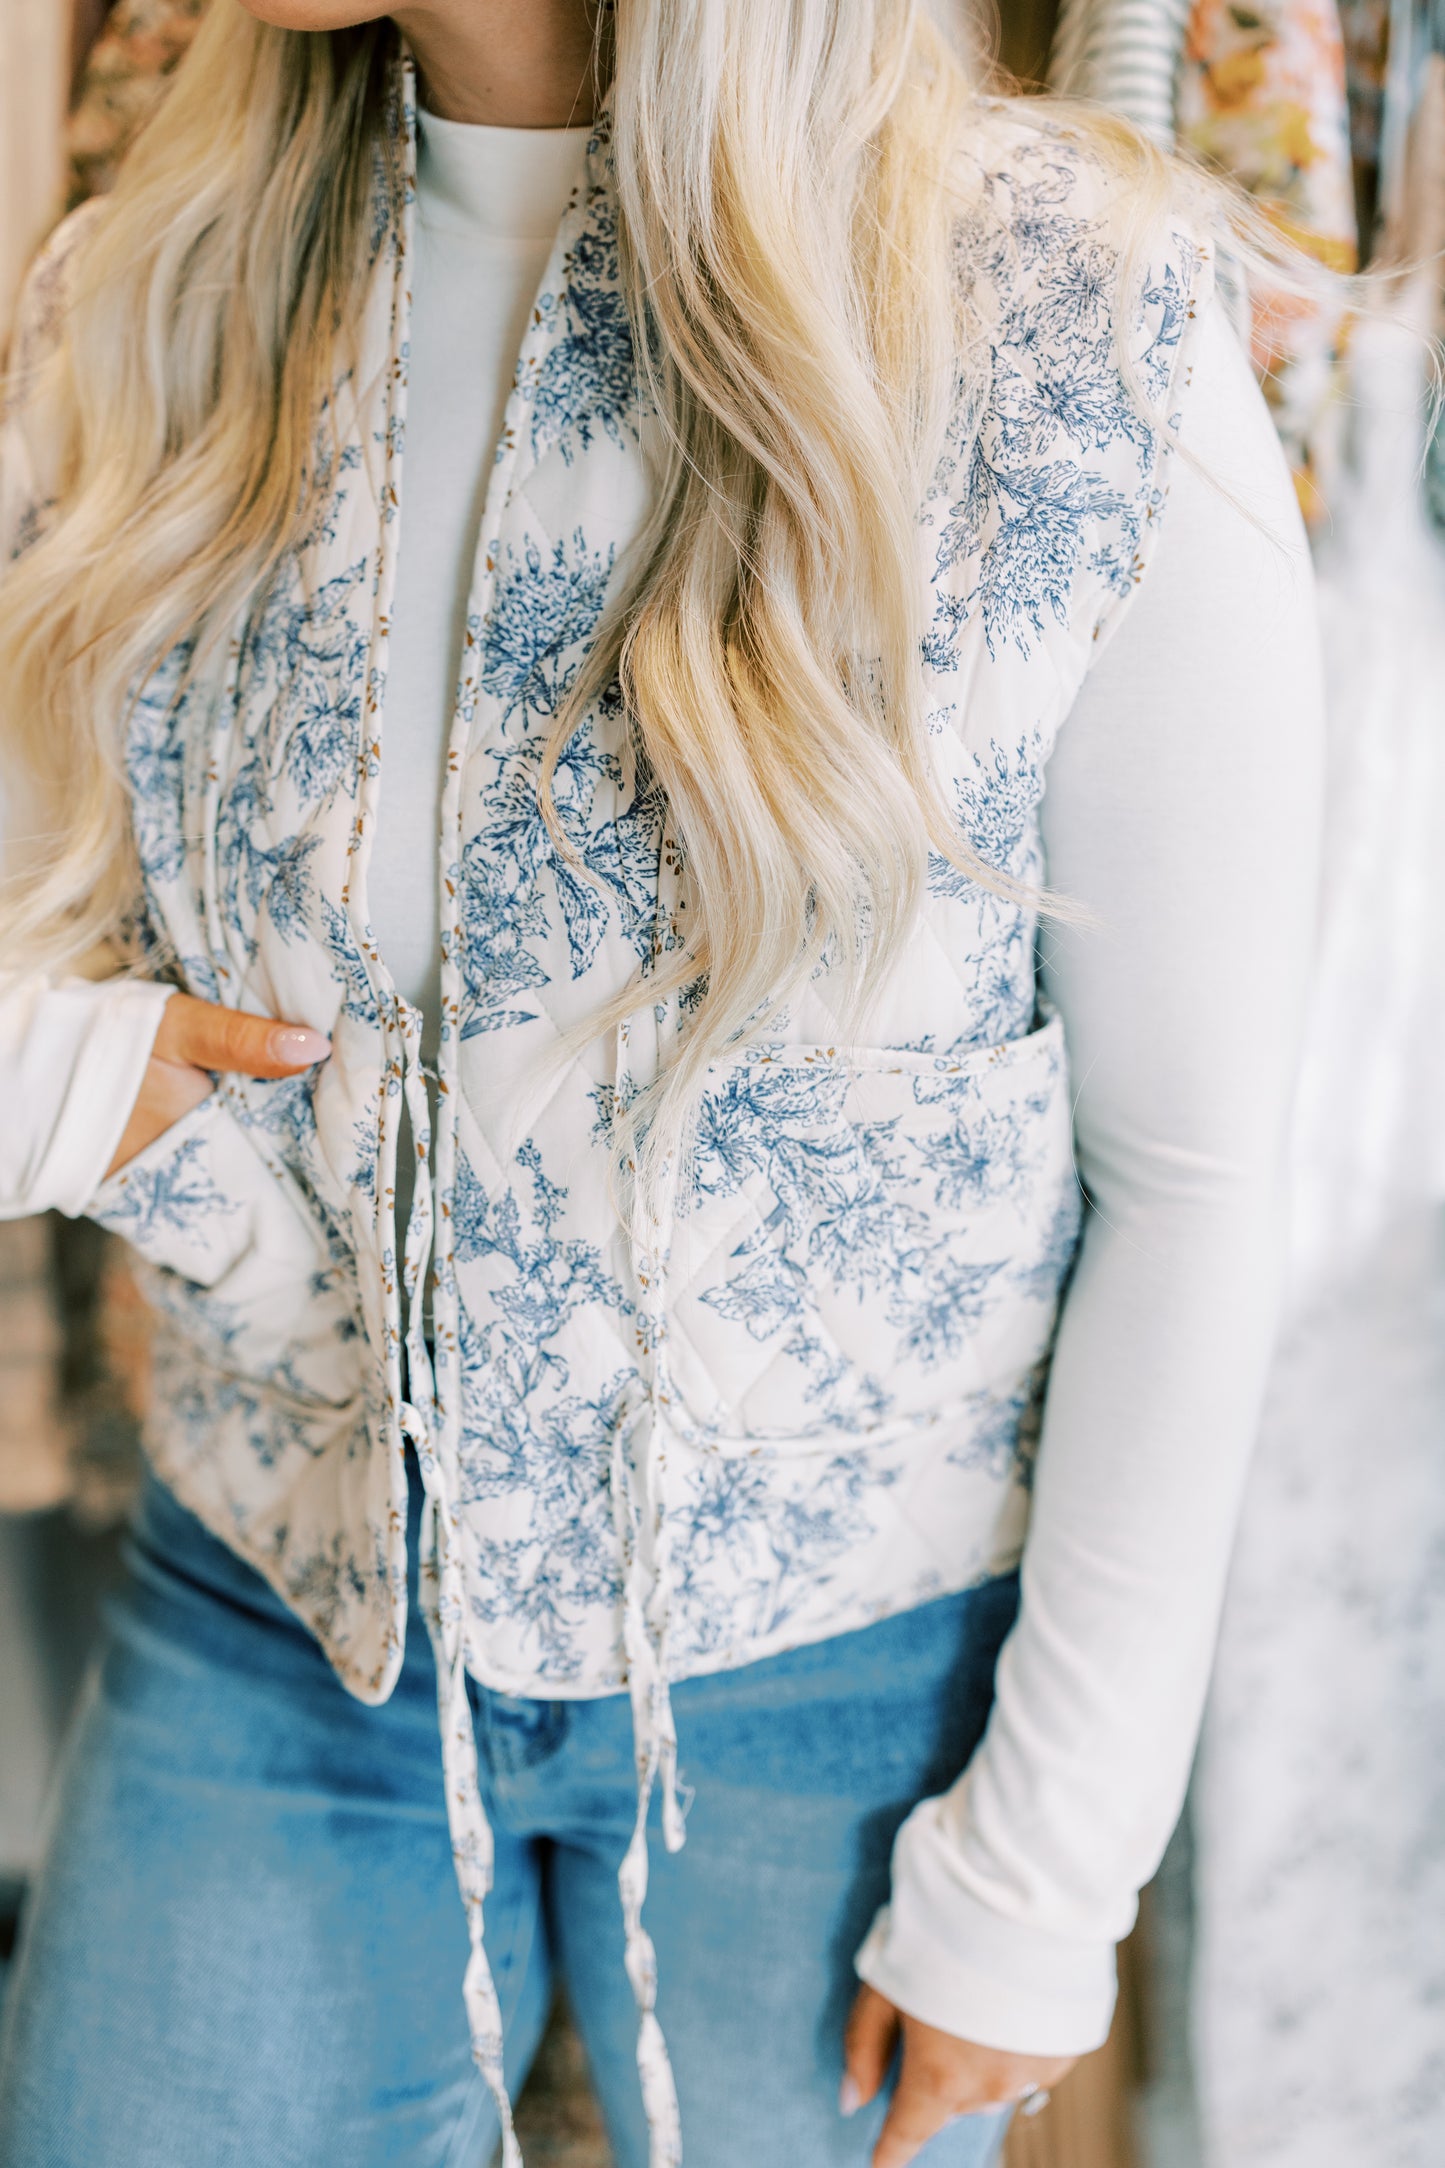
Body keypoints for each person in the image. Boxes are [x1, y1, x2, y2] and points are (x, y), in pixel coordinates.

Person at [0, 3, 1323, 2164]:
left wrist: (1047, 1869)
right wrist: (61, 1079)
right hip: (276, 1616)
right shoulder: (138, 295)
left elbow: (1187, 1171)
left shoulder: (1081, 320)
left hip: (850, 1681)